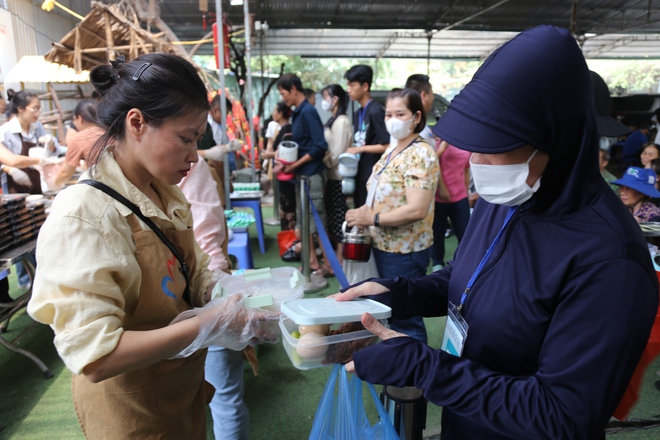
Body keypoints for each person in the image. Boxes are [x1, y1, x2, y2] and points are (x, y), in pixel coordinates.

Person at [334, 26, 658, 439]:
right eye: (475, 144)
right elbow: (469, 275)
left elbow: (561, 415)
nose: (478, 160)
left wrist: (426, 367)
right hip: (465, 421)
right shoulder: (508, 195)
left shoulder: (610, 262)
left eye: (495, 143)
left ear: (555, 139)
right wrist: (400, 294)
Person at [27, 54, 279, 439]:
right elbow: (95, 356)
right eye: (186, 138)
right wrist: (208, 322)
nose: (194, 155)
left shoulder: (163, 192)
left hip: (182, 393)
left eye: (197, 140)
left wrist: (236, 297)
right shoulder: (83, 215)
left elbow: (192, 274)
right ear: (137, 122)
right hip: (133, 408)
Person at [345, 88, 438, 344]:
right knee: (391, 313)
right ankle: (399, 368)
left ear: (417, 117)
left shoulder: (421, 153)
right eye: (388, 114)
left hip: (404, 251)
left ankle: (415, 377)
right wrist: (364, 214)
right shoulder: (393, 149)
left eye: (400, 113)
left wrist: (371, 218)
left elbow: (417, 209)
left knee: (406, 317)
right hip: (383, 245)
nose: (392, 119)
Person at [178, 153, 249, 440]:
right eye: (186, 137)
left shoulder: (189, 165)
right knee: (223, 395)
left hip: (205, 292)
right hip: (202, 296)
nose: (193, 152)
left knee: (221, 394)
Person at [276, 73, 332, 275]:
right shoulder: (297, 112)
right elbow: (302, 145)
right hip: (302, 176)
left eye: (284, 93)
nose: (283, 98)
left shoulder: (308, 112)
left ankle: (330, 265)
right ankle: (312, 262)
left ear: (293, 89)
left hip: (312, 175)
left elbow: (320, 146)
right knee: (305, 221)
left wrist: (295, 164)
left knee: (317, 222)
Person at [0, 90, 63, 194]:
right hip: (15, 183)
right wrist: (12, 170)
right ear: (20, 108)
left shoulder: (37, 126)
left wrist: (50, 143)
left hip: (36, 180)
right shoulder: (5, 131)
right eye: (35, 108)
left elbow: (54, 151)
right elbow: (9, 160)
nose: (38, 113)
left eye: (39, 109)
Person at [344, 64, 390, 208]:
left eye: (352, 85)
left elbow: (387, 146)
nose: (348, 90)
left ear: (365, 86)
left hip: (372, 174)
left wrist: (360, 149)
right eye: (348, 85)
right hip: (360, 171)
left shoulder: (376, 111)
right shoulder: (358, 112)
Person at [321, 84, 352, 262]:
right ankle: (336, 259)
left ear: (335, 99)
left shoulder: (342, 121)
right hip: (332, 176)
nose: (324, 101)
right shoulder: (333, 120)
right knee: (333, 216)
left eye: (326, 97)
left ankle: (340, 260)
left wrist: (322, 161)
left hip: (339, 177)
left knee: (339, 217)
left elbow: (338, 152)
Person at [431, 140, 471, 271]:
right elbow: (430, 164)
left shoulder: (465, 145)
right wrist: (442, 189)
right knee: (438, 233)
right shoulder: (438, 143)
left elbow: (466, 170)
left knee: (465, 233)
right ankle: (437, 263)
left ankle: (464, 263)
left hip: (460, 197)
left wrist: (465, 192)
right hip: (439, 197)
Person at [53, 99, 105, 188]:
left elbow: (65, 173)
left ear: (80, 118)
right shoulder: (111, 132)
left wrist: (54, 185)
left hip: (103, 187)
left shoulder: (78, 139)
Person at [404, 74, 435, 144]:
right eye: (431, 93)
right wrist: (443, 147)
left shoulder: (417, 122)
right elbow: (422, 154)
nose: (433, 98)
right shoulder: (415, 126)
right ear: (423, 95)